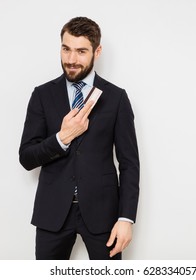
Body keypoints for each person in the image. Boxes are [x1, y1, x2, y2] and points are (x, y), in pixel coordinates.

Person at [19, 17, 140, 260]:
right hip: (52, 212)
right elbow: (27, 157)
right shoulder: (42, 95)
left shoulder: (116, 98)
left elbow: (129, 164)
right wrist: (62, 137)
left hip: (103, 213)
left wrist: (126, 218)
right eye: (66, 49)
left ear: (97, 51)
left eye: (81, 51)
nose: (71, 59)